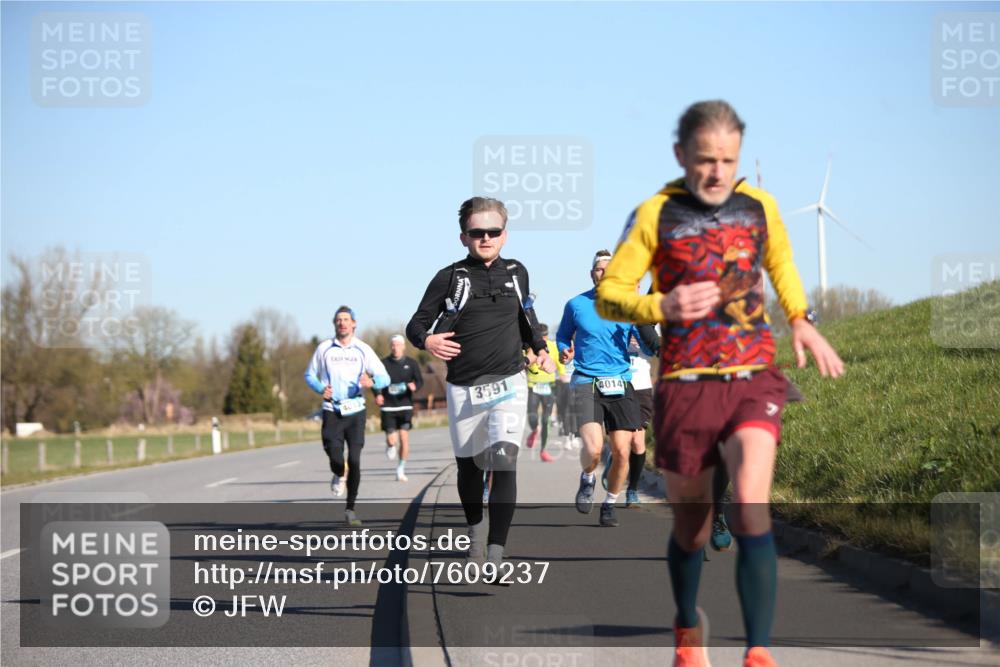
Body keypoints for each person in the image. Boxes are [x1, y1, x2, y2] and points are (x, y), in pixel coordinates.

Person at [596, 100, 844, 667]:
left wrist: (802, 319)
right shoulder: (654, 213)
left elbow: (780, 263)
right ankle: (687, 626)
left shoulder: (760, 206)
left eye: (727, 160)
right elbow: (612, 292)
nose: (716, 172)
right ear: (680, 155)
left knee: (752, 505)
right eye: (705, 160)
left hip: (753, 375)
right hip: (685, 382)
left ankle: (758, 650)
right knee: (693, 527)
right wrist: (663, 303)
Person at [406, 196, 555, 567]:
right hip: (464, 388)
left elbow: (527, 318)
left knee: (505, 461)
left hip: (509, 382)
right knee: (470, 469)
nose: (485, 238)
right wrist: (427, 340)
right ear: (463, 237)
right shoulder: (450, 277)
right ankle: (475, 529)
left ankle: (497, 554)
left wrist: (539, 347)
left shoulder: (517, 272)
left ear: (505, 235)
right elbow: (416, 324)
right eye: (477, 232)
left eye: (494, 231)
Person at [557, 249, 655, 528]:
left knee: (623, 452)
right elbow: (564, 336)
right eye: (600, 269)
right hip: (586, 379)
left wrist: (649, 333)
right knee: (594, 448)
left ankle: (610, 502)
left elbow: (647, 342)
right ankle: (587, 478)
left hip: (621, 381)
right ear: (593, 274)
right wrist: (565, 351)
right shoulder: (576, 304)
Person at [304, 306, 391, 527]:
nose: (342, 323)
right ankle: (338, 472)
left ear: (354, 324)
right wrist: (319, 388)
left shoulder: (362, 349)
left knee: (354, 459)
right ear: (335, 324)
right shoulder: (324, 348)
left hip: (356, 411)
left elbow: (384, 377)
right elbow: (309, 374)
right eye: (338, 320)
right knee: (334, 455)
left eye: (346, 319)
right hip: (331, 409)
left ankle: (350, 508)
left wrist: (372, 382)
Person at [375, 334, 424, 482]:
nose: (395, 348)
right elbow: (375, 381)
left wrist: (415, 386)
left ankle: (401, 469)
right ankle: (390, 446)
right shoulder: (383, 364)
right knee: (392, 440)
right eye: (393, 345)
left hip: (405, 405)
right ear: (390, 347)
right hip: (388, 407)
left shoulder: (412, 363)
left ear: (403, 347)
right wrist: (377, 394)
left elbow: (420, 381)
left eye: (398, 345)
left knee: (404, 438)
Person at [524, 323, 564, 462]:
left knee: (546, 419)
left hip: (549, 386)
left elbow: (560, 364)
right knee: (532, 415)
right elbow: (524, 362)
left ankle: (543, 450)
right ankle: (535, 430)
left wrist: (563, 375)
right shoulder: (530, 347)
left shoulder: (552, 347)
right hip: (533, 385)